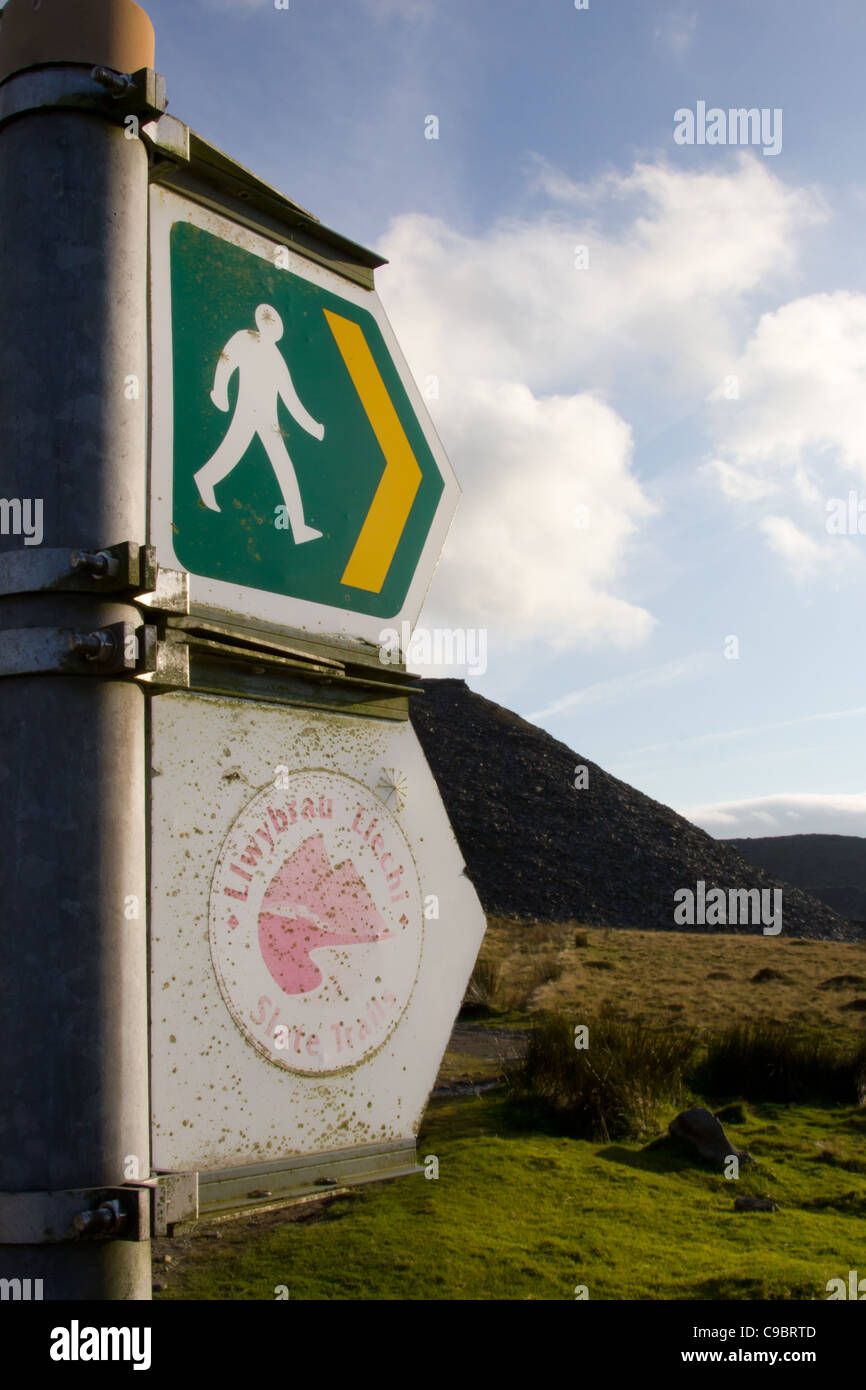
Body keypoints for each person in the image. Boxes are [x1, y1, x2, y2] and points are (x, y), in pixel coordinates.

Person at [193, 303, 324, 543]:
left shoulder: (277, 357)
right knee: (234, 454)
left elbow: (291, 399)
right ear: (261, 321)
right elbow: (226, 362)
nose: (273, 326)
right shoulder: (246, 338)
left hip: (268, 420)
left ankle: (298, 527)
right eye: (269, 320)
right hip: (247, 412)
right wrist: (219, 392)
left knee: (281, 466)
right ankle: (204, 479)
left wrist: (313, 427)